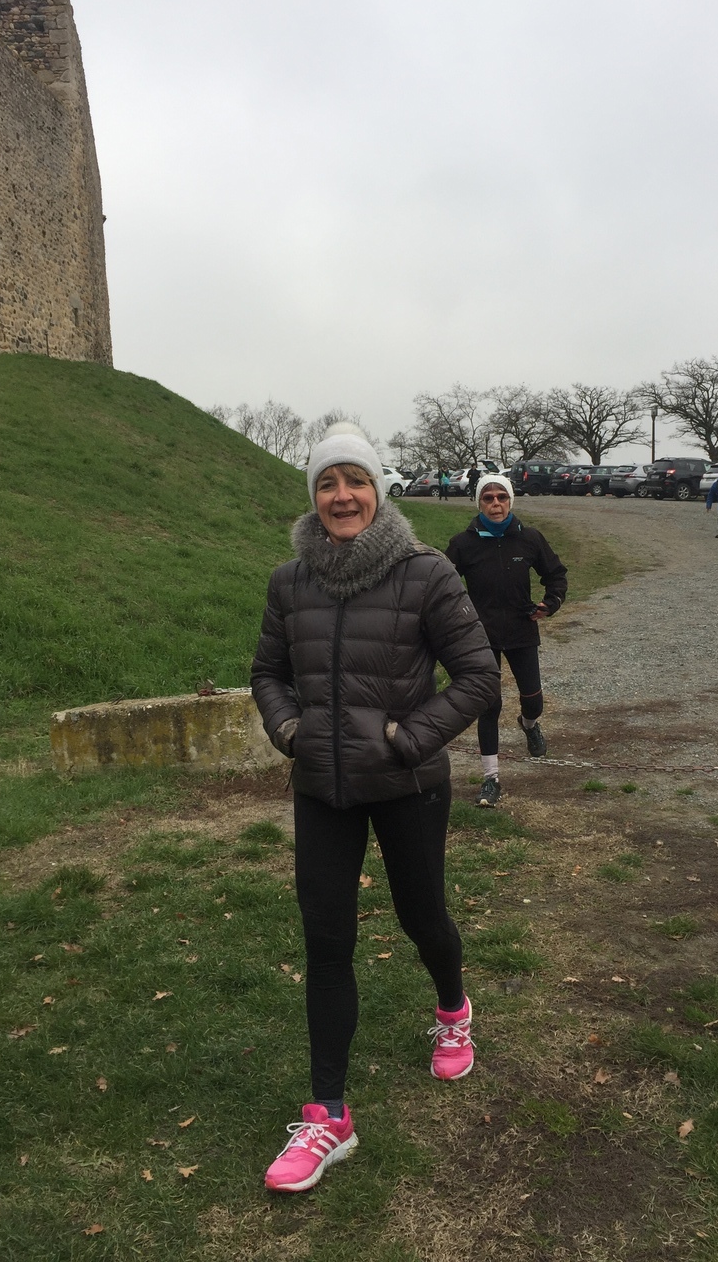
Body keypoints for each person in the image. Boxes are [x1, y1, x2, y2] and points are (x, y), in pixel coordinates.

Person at [250, 423, 499, 1193]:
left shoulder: (425, 573)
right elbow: (267, 673)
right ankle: (328, 1117)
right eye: (327, 483)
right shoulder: (290, 581)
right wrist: (289, 731)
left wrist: (407, 741)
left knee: (424, 918)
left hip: (407, 786)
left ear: (377, 490)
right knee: (326, 942)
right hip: (322, 789)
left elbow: (478, 675)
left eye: (354, 480)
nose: (342, 495)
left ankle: (453, 1010)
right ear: (314, 496)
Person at [445, 475, 568, 807]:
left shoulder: (529, 538)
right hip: (480, 636)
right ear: (479, 503)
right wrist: (455, 617)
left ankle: (529, 725)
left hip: (521, 630)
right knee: (489, 704)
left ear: (510, 500)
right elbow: (441, 585)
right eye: (488, 498)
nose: (495, 504)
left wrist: (551, 603)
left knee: (533, 701)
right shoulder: (462, 543)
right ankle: (491, 779)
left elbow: (556, 574)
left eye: (501, 497)